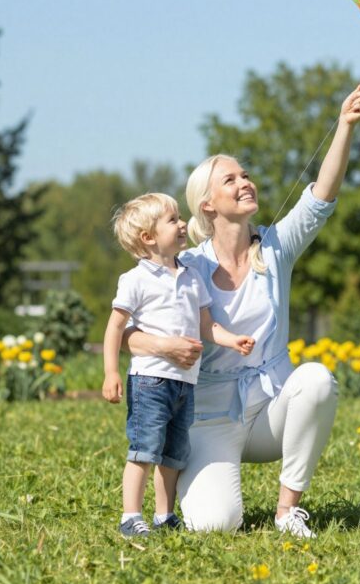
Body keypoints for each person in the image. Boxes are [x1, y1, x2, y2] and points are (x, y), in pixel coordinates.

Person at [123, 84, 360, 537]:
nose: (245, 183)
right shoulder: (187, 266)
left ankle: (287, 510)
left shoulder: (276, 249)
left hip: (270, 411)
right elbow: (129, 335)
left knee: (317, 380)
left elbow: (321, 197)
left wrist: (345, 126)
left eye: (246, 175)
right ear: (207, 204)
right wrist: (164, 346)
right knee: (215, 524)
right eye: (231, 180)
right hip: (208, 418)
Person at [102, 192, 255, 537]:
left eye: (179, 216)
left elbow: (207, 325)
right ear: (148, 237)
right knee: (144, 449)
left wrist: (232, 340)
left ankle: (164, 515)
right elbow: (115, 328)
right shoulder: (136, 279)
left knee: (173, 454)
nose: (183, 223)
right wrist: (111, 372)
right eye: (172, 220)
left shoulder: (191, 277)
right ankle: (130, 516)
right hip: (150, 381)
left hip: (185, 382)